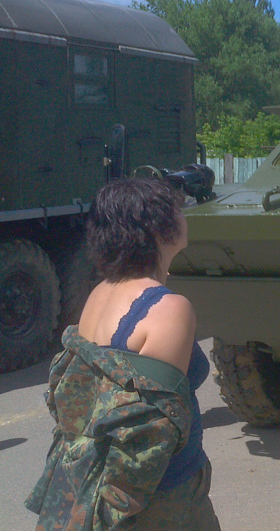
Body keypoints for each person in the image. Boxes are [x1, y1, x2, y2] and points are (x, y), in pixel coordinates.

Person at [26, 178, 221, 530]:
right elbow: (155, 429)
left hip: (114, 484)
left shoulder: (101, 291)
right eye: (177, 210)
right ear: (158, 229)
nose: (185, 216)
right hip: (164, 495)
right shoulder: (168, 309)